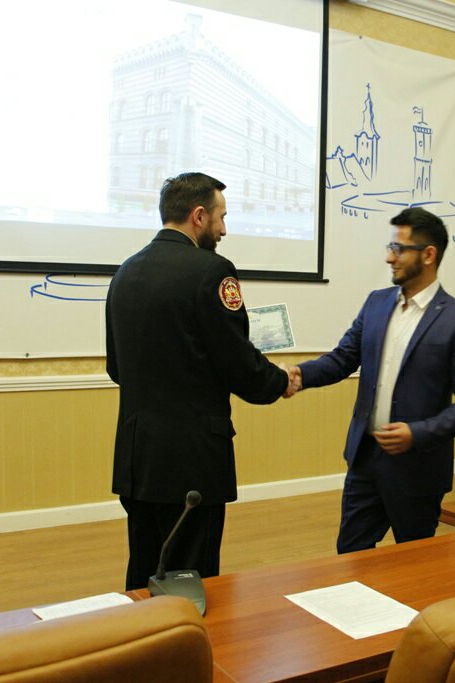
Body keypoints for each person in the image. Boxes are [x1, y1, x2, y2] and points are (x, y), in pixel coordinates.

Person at [106, 172, 292, 590]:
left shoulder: (126, 272)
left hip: (138, 458)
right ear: (198, 216)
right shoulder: (212, 271)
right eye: (221, 217)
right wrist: (279, 381)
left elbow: (116, 368)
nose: (224, 230)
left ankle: (143, 633)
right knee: (190, 581)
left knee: (145, 570)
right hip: (191, 461)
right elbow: (237, 363)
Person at [286, 207, 455, 554]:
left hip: (418, 467)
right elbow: (343, 358)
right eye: (390, 247)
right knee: (350, 555)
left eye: (398, 249)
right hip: (365, 458)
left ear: (428, 255)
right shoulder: (376, 304)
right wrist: (301, 374)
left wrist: (418, 433)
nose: (389, 258)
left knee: (414, 562)